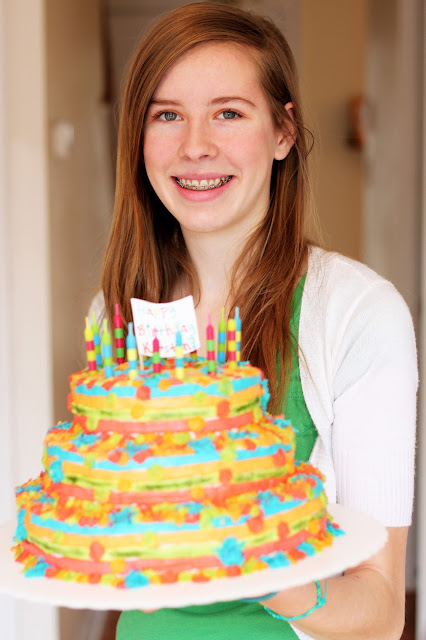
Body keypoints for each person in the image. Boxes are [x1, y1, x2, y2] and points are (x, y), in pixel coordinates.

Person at [91, 3, 418, 639]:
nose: (195, 146)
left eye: (229, 113)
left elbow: (381, 615)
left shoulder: (356, 314)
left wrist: (261, 568)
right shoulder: (116, 313)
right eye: (167, 115)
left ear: (283, 133)